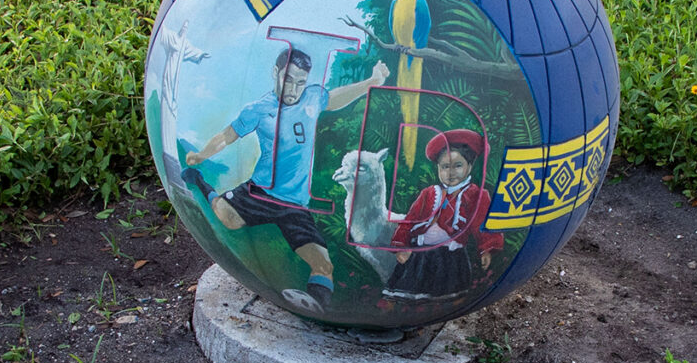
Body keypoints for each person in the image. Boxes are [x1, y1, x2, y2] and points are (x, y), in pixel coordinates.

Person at [183, 46, 387, 314]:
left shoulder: (312, 97)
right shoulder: (259, 109)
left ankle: (315, 307)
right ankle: (200, 182)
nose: (293, 89)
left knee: (323, 264)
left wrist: (372, 81)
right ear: (275, 73)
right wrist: (201, 155)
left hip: (295, 205)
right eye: (288, 79)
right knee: (227, 219)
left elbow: (335, 98)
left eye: (300, 82)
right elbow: (226, 136)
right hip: (260, 193)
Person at [386, 129, 501, 301]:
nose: (451, 172)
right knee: (410, 293)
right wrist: (401, 246)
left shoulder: (475, 195)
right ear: (438, 168)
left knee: (445, 295)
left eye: (458, 165)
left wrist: (486, 250)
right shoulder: (429, 193)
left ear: (469, 166)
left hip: (450, 257)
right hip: (420, 255)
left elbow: (482, 223)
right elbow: (410, 220)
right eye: (445, 167)